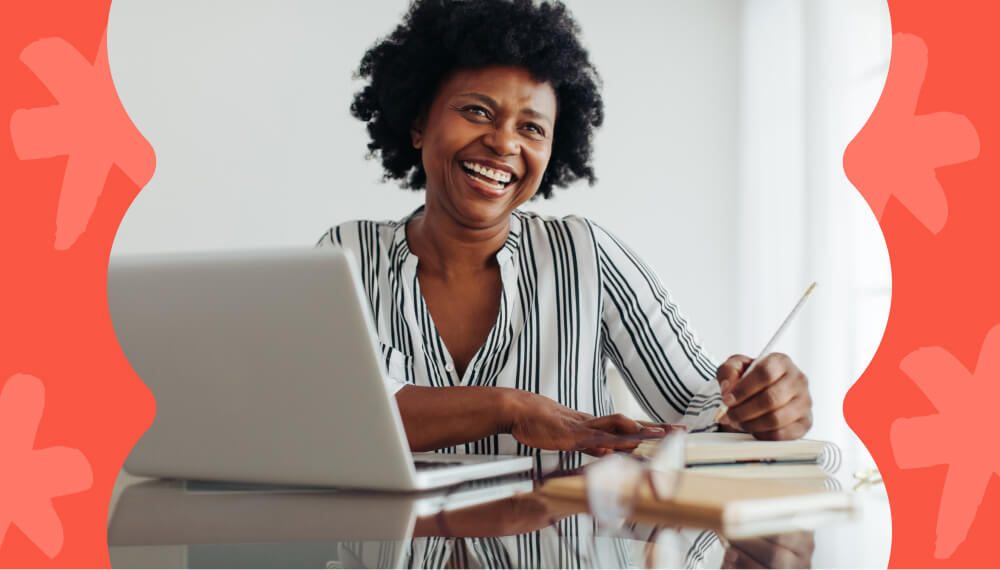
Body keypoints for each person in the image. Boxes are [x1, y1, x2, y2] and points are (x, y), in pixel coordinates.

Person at [318, 0, 812, 457]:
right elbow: (340, 415)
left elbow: (697, 407)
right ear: (419, 122)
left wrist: (759, 405)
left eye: (531, 128)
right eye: (477, 111)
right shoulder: (348, 255)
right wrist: (509, 410)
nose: (502, 143)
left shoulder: (586, 252)